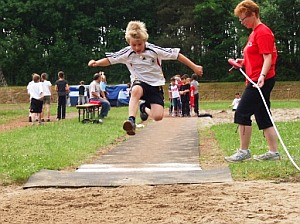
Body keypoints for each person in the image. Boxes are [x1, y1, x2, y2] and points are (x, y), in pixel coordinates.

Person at [88, 21, 203, 135]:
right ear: (129, 43)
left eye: (139, 44)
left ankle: (144, 108)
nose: (137, 48)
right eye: (134, 45)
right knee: (136, 90)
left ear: (144, 41)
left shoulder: (154, 50)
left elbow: (176, 55)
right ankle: (131, 121)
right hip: (139, 82)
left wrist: (194, 66)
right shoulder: (127, 52)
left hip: (155, 85)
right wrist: (97, 63)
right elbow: (110, 60)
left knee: (158, 116)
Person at [225, 0, 280, 162]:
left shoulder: (263, 32)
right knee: (263, 115)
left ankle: (244, 151)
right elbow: (256, 56)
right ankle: (273, 152)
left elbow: (267, 56)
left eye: (243, 19)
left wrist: (262, 76)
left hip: (259, 81)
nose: (242, 23)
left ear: (253, 14)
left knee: (242, 112)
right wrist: (243, 62)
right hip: (255, 78)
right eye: (240, 20)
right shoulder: (254, 32)